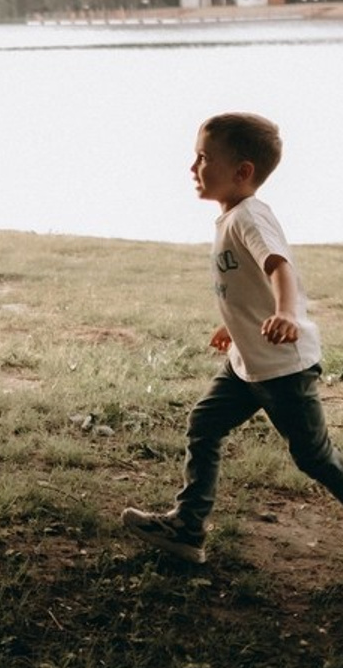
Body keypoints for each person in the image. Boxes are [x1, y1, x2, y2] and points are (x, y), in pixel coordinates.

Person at [122, 112, 343, 564]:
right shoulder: (231, 219)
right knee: (205, 424)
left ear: (242, 171)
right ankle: (187, 529)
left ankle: (187, 526)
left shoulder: (250, 218)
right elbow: (248, 286)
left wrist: (285, 313)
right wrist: (236, 324)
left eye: (204, 158)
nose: (193, 167)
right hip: (247, 361)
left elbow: (279, 268)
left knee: (314, 458)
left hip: (283, 367)